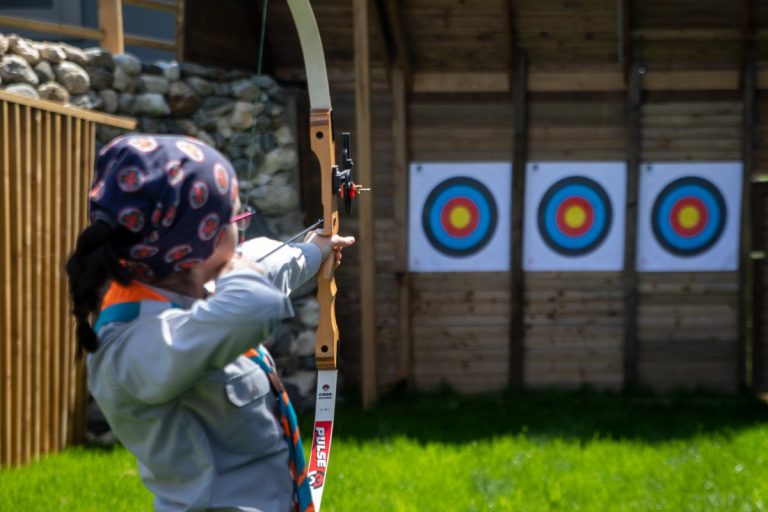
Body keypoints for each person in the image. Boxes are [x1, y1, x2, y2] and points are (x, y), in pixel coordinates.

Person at [65, 134, 354, 512]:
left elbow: (263, 269)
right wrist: (231, 259)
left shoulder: (190, 294)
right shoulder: (136, 344)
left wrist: (316, 250)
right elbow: (254, 301)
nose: (240, 229)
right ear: (205, 241)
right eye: (235, 217)